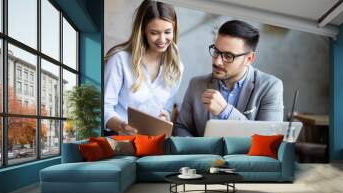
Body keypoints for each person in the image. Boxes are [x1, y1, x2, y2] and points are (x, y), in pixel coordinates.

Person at [173, 20, 283, 137]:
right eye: (216, 51)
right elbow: (181, 127)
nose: (217, 61)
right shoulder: (196, 84)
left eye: (228, 56)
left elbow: (268, 140)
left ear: (249, 59)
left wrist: (225, 111)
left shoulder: (270, 87)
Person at [104, 0, 183, 136]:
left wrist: (165, 118)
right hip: (120, 141)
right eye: (154, 33)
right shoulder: (119, 60)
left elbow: (167, 110)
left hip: (152, 144)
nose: (162, 39)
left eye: (168, 32)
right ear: (143, 31)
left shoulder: (177, 68)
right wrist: (122, 126)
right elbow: (104, 108)